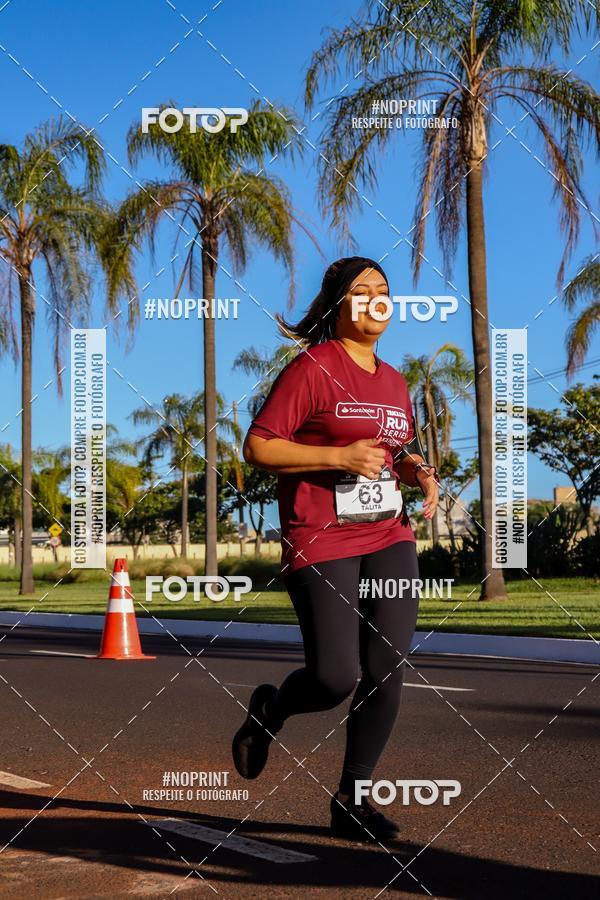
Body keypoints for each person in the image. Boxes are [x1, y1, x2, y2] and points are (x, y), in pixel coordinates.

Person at [231, 256, 439, 841]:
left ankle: (354, 800)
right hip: (321, 537)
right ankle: (270, 710)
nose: (376, 301)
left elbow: (390, 450)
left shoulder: (395, 380)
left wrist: (415, 468)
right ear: (337, 305)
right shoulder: (314, 368)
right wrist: (338, 458)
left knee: (387, 666)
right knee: (335, 677)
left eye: (384, 292)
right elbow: (259, 447)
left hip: (388, 534)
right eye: (362, 292)